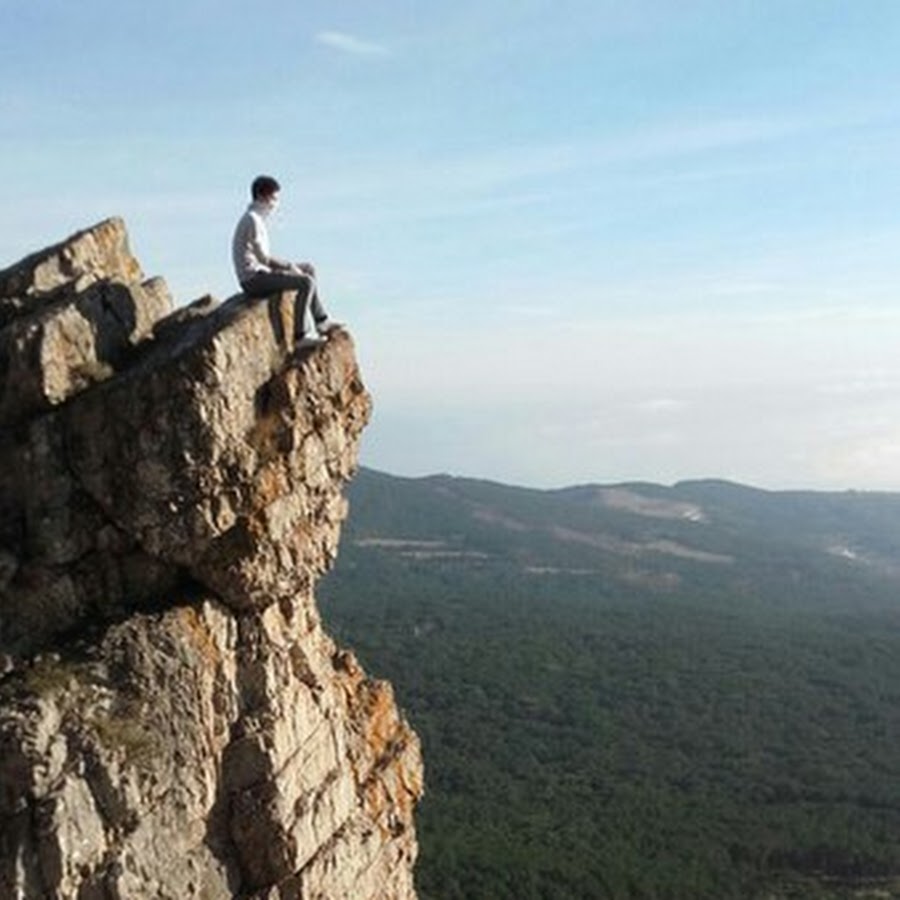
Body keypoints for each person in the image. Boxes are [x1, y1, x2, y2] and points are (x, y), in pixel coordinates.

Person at [232, 175, 341, 347]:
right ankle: (300, 335)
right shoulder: (252, 219)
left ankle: (321, 321)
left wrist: (291, 268)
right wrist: (289, 267)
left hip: (260, 274)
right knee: (306, 282)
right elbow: (263, 259)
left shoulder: (257, 219)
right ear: (262, 197)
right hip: (253, 280)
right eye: (273, 198)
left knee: (308, 269)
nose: (275, 203)